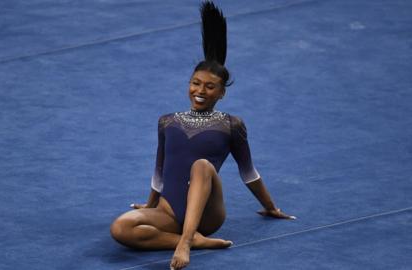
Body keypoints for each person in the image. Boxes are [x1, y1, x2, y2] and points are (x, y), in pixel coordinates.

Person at [110, 2, 295, 269]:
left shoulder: (231, 124)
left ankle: (186, 242)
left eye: (210, 87)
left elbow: (249, 173)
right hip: (169, 210)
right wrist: (149, 205)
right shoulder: (167, 121)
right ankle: (193, 240)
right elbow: (159, 170)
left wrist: (271, 206)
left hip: (208, 215)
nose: (200, 90)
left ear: (222, 93)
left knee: (201, 166)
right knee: (121, 228)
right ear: (189, 84)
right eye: (196, 83)